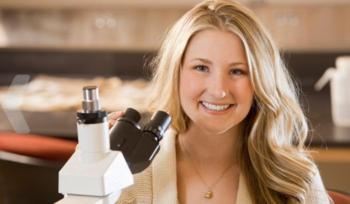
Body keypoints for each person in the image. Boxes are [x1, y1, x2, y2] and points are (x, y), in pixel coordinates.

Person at [108, 0, 332, 203]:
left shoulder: (295, 178)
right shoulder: (127, 171)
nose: (219, 91)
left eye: (237, 71)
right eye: (201, 68)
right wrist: (91, 171)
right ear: (176, 73)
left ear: (261, 80)